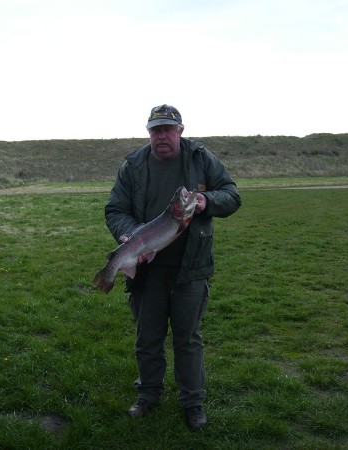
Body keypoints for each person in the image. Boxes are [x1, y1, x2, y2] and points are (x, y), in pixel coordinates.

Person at [103, 104, 241, 430]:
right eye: (156, 130)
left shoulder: (200, 159)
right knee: (148, 338)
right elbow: (115, 208)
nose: (162, 135)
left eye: (168, 129)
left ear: (180, 131)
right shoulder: (133, 165)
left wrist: (208, 202)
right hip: (147, 268)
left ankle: (193, 404)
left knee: (187, 340)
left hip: (190, 269)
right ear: (148, 132)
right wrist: (127, 234)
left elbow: (232, 195)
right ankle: (148, 395)